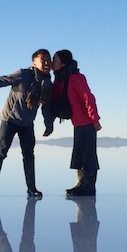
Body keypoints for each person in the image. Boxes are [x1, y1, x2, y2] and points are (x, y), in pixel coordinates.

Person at [0, 49, 54, 198]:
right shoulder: (23, 74)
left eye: (49, 60)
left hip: (27, 124)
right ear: (34, 63)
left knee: (29, 154)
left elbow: (46, 105)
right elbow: (1, 81)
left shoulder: (47, 83)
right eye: (43, 60)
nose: (47, 63)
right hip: (10, 120)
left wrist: (48, 125)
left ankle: (31, 188)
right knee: (1, 152)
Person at [49, 49, 101, 196]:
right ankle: (81, 185)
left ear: (63, 63)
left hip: (87, 122)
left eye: (55, 59)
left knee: (88, 156)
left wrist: (94, 119)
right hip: (77, 122)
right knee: (79, 154)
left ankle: (89, 187)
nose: (52, 62)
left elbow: (88, 98)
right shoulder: (60, 79)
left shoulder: (76, 78)